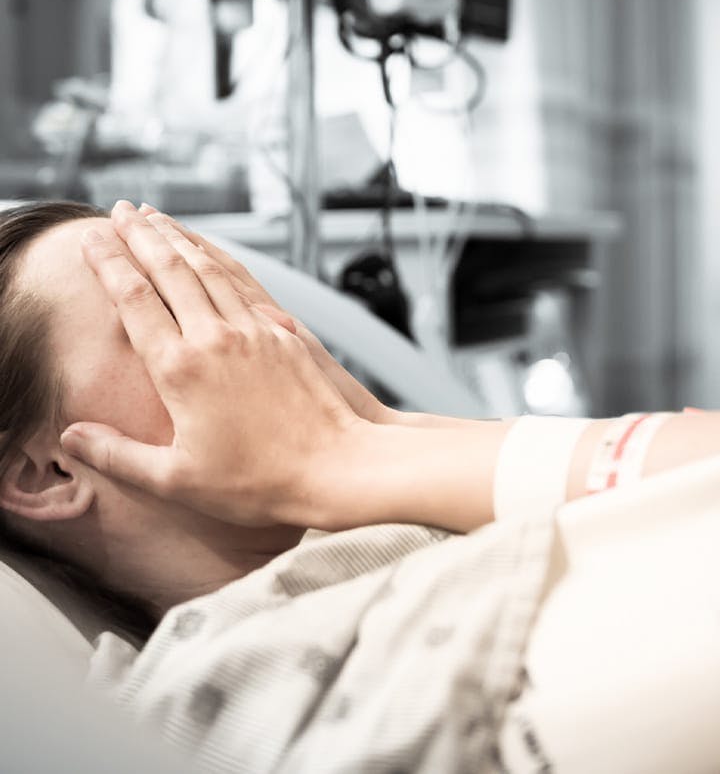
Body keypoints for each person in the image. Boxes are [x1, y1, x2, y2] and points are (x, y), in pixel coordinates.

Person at [1, 199, 719, 771]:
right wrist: (346, 453)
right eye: (166, 312)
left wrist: (371, 437)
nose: (252, 335)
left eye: (224, 293)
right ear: (48, 473)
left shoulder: (397, 493)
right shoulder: (224, 697)